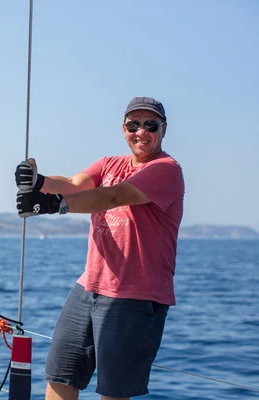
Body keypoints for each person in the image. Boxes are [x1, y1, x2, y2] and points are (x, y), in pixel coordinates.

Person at [14, 97, 185, 400]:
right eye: (134, 125)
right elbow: (73, 182)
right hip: (88, 288)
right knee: (59, 376)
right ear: (124, 129)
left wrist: (53, 204)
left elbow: (113, 197)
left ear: (163, 129)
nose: (141, 132)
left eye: (150, 125)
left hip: (134, 297)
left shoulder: (167, 170)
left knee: (113, 393)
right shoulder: (109, 164)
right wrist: (38, 181)